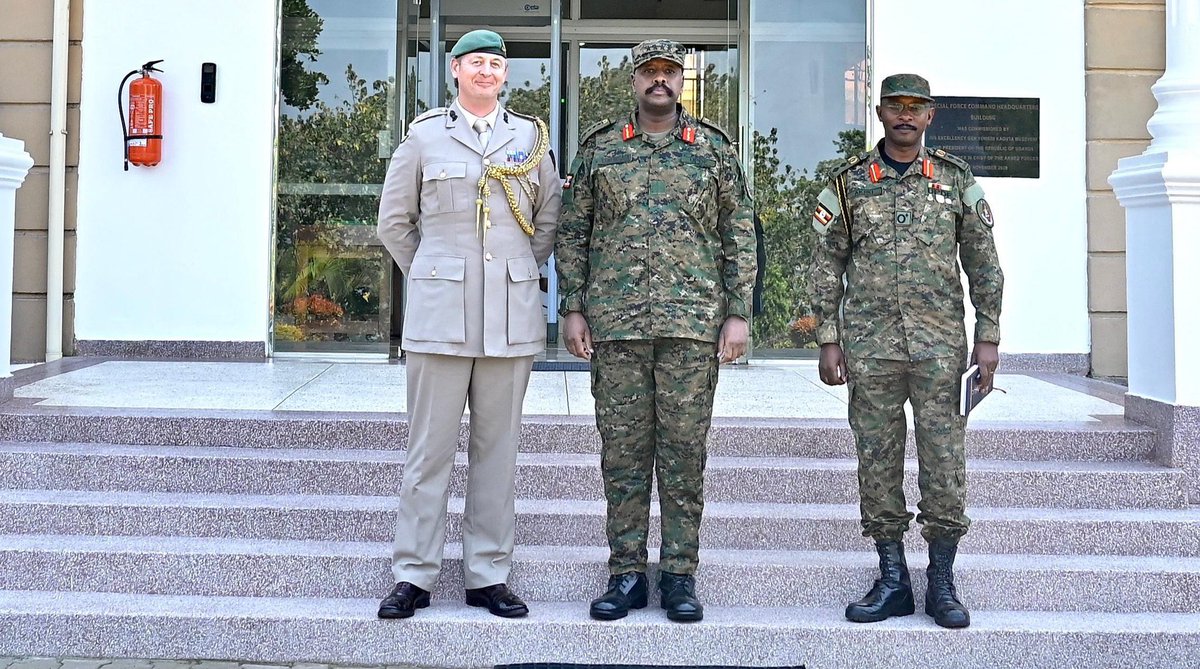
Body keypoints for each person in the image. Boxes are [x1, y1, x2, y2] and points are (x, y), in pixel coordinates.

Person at [556, 39, 757, 623]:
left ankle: (678, 575)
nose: (660, 82)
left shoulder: (714, 151)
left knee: (684, 453)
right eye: (650, 73)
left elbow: (738, 234)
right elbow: (573, 233)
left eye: (670, 72)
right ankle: (624, 573)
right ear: (634, 81)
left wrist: (738, 313)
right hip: (616, 326)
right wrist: (573, 306)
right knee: (622, 453)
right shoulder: (599, 151)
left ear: (682, 81)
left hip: (691, 326)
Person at [375, 29, 560, 620]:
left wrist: (508, 275)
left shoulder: (530, 138)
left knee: (497, 452)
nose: (487, 72)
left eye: (496, 64)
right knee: (427, 452)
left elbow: (547, 221)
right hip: (440, 320)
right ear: (454, 70)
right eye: (476, 62)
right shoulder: (425, 136)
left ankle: (488, 574)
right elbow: (394, 224)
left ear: (506, 76)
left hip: (509, 320)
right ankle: (414, 574)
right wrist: (433, 275)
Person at [809, 73, 1004, 629]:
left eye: (915, 107)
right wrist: (828, 337)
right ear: (879, 111)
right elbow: (825, 266)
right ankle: (892, 577)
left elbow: (984, 263)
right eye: (895, 106)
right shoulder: (848, 184)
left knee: (944, 463)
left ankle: (941, 582)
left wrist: (987, 336)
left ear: (930, 115)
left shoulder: (955, 180)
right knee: (877, 460)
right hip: (870, 350)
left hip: (940, 348)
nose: (904, 115)